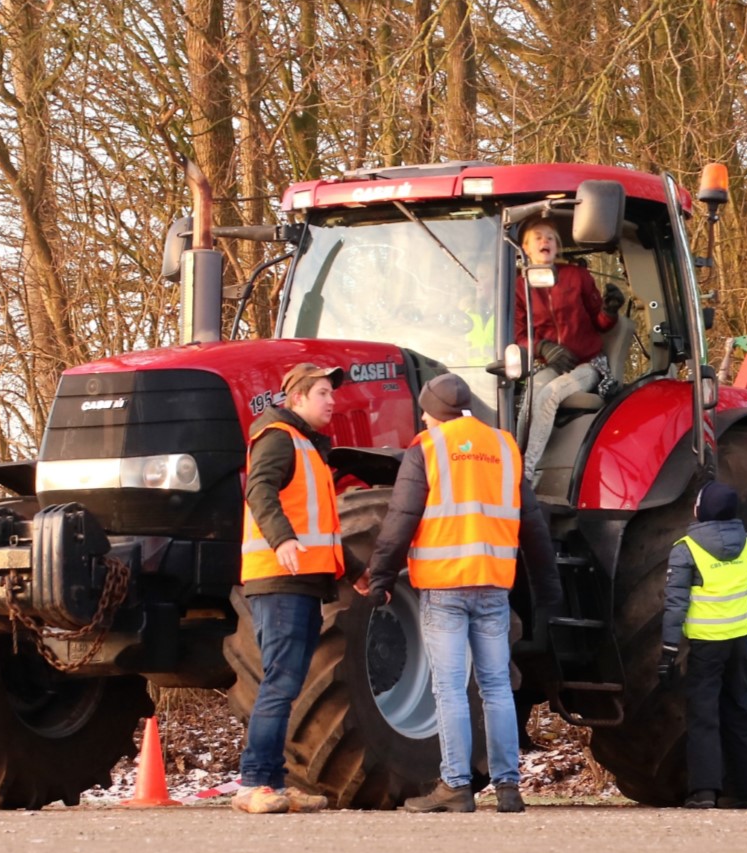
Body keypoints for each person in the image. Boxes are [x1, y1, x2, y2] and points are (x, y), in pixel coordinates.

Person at [363, 373, 562, 813]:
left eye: (424, 411)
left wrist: (381, 578)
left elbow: (401, 519)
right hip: (493, 585)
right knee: (496, 687)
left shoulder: (427, 448)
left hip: (444, 586)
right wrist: (548, 588)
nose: (422, 418)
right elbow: (532, 526)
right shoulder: (504, 447)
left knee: (450, 688)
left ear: (435, 412)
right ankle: (508, 787)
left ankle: (455, 784)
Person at [234, 362, 346, 815]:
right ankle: (254, 784)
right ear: (297, 397)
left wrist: (355, 570)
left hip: (302, 581)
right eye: (323, 393)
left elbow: (320, 525)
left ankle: (273, 782)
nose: (332, 401)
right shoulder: (279, 438)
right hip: (280, 579)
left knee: (286, 684)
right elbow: (259, 490)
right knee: (279, 683)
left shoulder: (307, 446)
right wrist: (281, 539)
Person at [658, 481, 747, 809]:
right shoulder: (743, 543)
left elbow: (676, 604)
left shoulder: (687, 548)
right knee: (738, 710)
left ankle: (704, 791)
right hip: (737, 640)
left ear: (702, 510)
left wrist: (668, 650)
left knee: (703, 715)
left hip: (707, 643)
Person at [514, 219, 626, 479]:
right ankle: (515, 458)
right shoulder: (520, 287)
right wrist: (542, 347)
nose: (545, 241)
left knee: (549, 395)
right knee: (530, 396)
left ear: (557, 246)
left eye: (550, 237)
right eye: (538, 237)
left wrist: (609, 311)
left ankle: (525, 474)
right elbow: (519, 336)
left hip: (588, 363)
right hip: (554, 363)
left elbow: (600, 323)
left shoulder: (577, 277)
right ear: (526, 248)